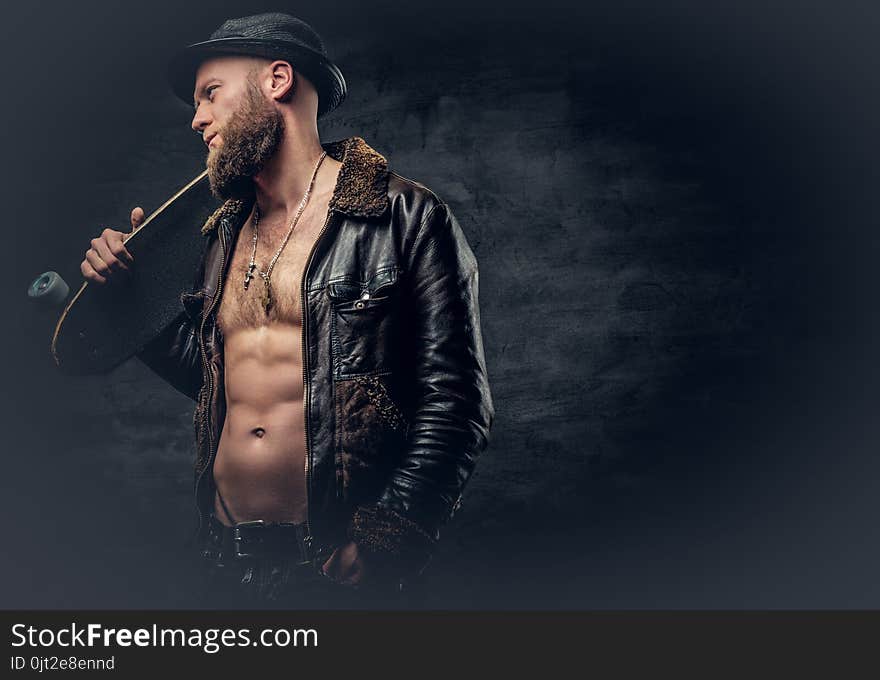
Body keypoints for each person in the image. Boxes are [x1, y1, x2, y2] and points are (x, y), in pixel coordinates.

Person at [80, 13, 494, 608]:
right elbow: (216, 378)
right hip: (219, 558)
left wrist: (389, 535)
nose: (197, 118)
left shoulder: (404, 219)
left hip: (331, 566)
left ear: (278, 80)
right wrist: (131, 299)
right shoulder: (221, 234)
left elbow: (455, 401)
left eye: (210, 94)